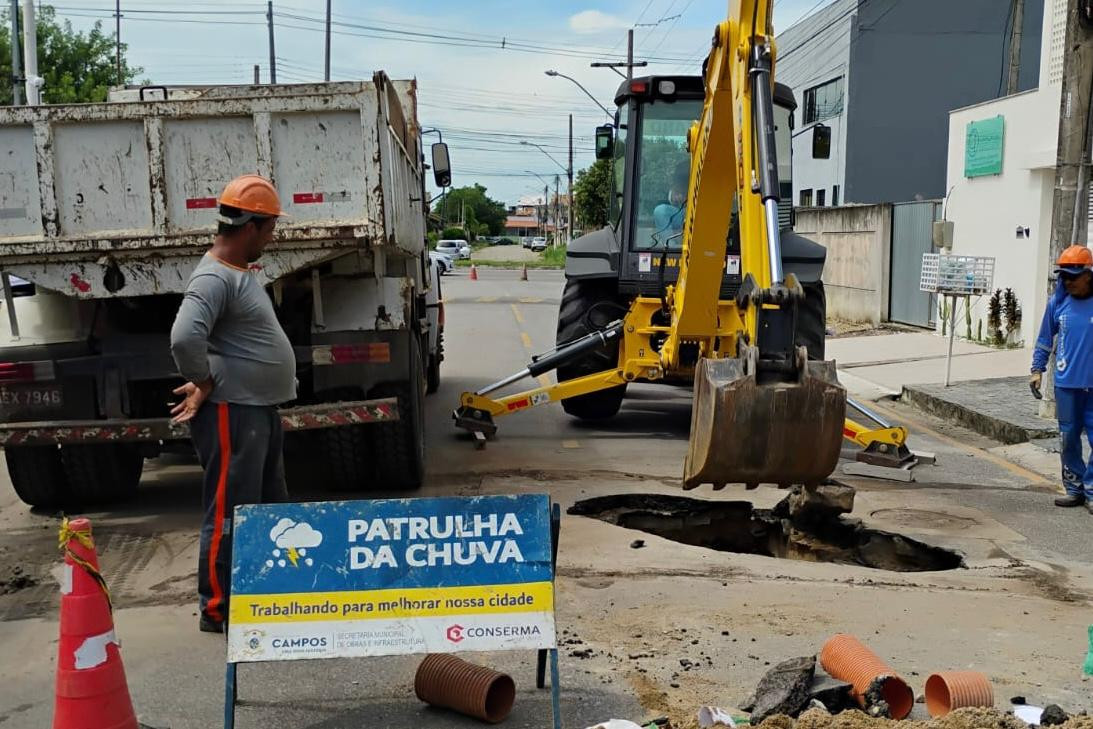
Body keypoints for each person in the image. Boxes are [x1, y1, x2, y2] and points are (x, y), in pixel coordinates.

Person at [169, 174, 296, 633]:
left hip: (256, 408)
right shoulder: (213, 277)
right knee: (229, 511)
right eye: (270, 230)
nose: (272, 238)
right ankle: (218, 608)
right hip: (232, 411)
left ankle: (264, 594)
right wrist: (204, 379)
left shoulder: (237, 272)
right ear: (250, 228)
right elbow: (185, 337)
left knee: (265, 507)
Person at [1031, 244, 1093, 512]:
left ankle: (1091, 490)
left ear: (1088, 274)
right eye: (1063, 277)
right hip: (1067, 385)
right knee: (1068, 438)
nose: (1067, 282)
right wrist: (1037, 369)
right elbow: (1046, 338)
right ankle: (1074, 488)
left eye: (1073, 277)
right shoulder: (1058, 302)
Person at [652, 159, 691, 237]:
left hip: (699, 214)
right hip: (681, 215)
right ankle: (669, 244)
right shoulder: (671, 191)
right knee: (660, 211)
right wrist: (673, 196)